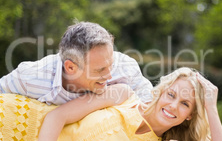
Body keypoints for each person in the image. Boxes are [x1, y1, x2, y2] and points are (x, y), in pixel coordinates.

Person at [0, 67, 222, 141]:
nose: (172, 106)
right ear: (162, 91)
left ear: (191, 115)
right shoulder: (123, 95)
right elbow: (57, 116)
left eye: (184, 104)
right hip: (21, 119)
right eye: (171, 94)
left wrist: (211, 106)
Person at [0, 21, 153, 105]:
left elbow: (152, 105)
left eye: (110, 64)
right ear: (71, 67)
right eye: (99, 70)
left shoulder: (126, 67)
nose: (109, 75)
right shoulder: (30, 77)